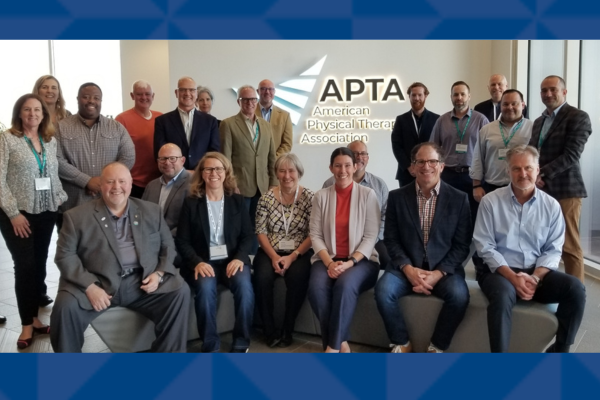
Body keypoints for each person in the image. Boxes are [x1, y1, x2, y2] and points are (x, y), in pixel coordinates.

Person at [50, 162, 189, 353]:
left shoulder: (151, 211)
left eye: (122, 181)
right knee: (65, 308)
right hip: (98, 283)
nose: (117, 187)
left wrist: (159, 273)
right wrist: (89, 286)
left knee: (179, 292)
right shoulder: (76, 216)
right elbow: (65, 256)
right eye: (110, 182)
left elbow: (168, 246)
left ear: (131, 184)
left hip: (141, 282)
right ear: (101, 185)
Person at [473, 145, 586, 353]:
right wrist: (512, 277)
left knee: (576, 289)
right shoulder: (490, 202)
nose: (522, 174)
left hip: (537, 273)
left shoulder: (551, 206)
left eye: (528, 168)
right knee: (502, 295)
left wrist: (535, 278)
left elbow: (553, 250)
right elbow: (485, 246)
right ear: (508, 171)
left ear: (537, 169)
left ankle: (560, 351)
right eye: (516, 168)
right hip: (499, 272)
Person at [375, 142, 471, 353]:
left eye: (432, 161)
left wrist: (438, 273)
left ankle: (437, 346)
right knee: (383, 291)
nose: (426, 166)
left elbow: (462, 245)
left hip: (443, 269)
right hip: (405, 267)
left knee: (460, 296)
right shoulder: (396, 197)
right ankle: (401, 341)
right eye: (421, 162)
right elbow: (391, 239)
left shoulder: (459, 199)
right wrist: (408, 269)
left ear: (442, 166)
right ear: (412, 167)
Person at [0, 94, 68, 347]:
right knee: (25, 265)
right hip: (17, 213)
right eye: (27, 109)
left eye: (37, 110)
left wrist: (60, 198)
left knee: (39, 265)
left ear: (44, 114)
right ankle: (27, 325)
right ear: (19, 113)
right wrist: (13, 213)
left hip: (45, 211)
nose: (33, 114)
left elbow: (52, 174)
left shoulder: (49, 141)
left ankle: (36, 320)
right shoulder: (7, 140)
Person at [176, 152, 254, 353]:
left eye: (218, 168)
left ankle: (242, 341)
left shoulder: (237, 201)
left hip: (232, 260)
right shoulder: (191, 203)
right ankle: (210, 345)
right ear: (201, 173)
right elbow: (182, 240)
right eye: (208, 169)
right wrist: (196, 262)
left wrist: (239, 259)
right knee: (204, 290)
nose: (214, 173)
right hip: (204, 261)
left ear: (226, 172)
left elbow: (248, 237)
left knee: (245, 289)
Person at [308, 147, 381, 353]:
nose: (343, 170)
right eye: (338, 165)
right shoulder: (321, 196)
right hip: (327, 259)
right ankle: (342, 343)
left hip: (361, 261)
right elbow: (315, 235)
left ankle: (331, 349)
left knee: (344, 285)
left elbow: (370, 236)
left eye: (348, 165)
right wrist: (330, 263)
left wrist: (350, 263)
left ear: (355, 166)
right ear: (331, 168)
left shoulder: (368, 195)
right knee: (316, 289)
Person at [529, 75, 592, 283]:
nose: (548, 94)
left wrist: (541, 174)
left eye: (553, 90)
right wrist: (532, 174)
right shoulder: (539, 121)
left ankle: (577, 294)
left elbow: (571, 155)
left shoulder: (578, 117)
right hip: (539, 190)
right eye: (544, 90)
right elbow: (532, 152)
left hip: (566, 190)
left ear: (564, 92)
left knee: (569, 246)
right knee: (541, 242)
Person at [254, 153, 314, 348]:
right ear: (276, 174)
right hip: (270, 250)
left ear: (299, 173)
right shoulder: (266, 198)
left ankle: (288, 329)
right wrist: (274, 257)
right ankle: (269, 330)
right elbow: (260, 231)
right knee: (261, 278)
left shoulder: (310, 198)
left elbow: (314, 233)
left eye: (291, 171)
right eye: (282, 171)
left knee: (297, 278)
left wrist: (292, 256)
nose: (287, 175)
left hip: (300, 252)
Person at [55, 82, 135, 222]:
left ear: (101, 101)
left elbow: (128, 156)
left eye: (96, 98)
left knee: (110, 242)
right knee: (72, 243)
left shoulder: (116, 128)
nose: (91, 101)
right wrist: (87, 181)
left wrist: (105, 182)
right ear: (78, 99)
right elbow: (56, 160)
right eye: (86, 97)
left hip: (109, 204)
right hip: (74, 205)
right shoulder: (61, 128)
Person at [221, 84, 278, 254]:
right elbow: (226, 158)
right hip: (240, 188)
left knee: (258, 227)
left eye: (253, 99)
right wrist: (231, 184)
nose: (250, 103)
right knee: (239, 226)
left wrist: (273, 184)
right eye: (246, 99)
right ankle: (239, 258)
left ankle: (252, 258)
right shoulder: (228, 124)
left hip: (263, 187)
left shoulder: (266, 126)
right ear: (239, 101)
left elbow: (271, 157)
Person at [429, 81, 489, 228]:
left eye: (463, 94)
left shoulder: (481, 120)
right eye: (456, 94)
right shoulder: (442, 121)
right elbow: (433, 149)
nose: (459, 97)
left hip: (472, 176)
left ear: (469, 96)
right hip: (448, 175)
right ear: (451, 97)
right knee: (448, 214)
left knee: (473, 215)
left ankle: (471, 248)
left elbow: (488, 149)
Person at [322, 140, 390, 268]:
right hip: (341, 239)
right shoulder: (329, 184)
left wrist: (373, 238)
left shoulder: (379, 185)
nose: (359, 157)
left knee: (387, 259)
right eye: (355, 153)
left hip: (373, 239)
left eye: (363, 153)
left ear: (368, 158)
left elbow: (386, 215)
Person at [470, 89, 533, 202]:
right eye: (505, 104)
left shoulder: (533, 128)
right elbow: (477, 158)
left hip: (522, 188)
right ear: (500, 106)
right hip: (491, 188)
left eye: (514, 103)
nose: (509, 107)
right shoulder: (487, 129)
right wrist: (476, 186)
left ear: (523, 105)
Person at [154, 77, 220, 172]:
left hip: (202, 176)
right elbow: (160, 153)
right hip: (173, 176)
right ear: (176, 93)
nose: (187, 93)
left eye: (191, 90)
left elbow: (214, 153)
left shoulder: (210, 121)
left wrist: (198, 172)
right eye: (183, 90)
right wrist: (181, 172)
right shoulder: (162, 121)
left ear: (196, 94)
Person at [115, 80, 163, 199]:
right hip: (133, 182)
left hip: (159, 181)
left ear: (153, 96)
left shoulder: (161, 118)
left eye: (147, 94)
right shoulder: (122, 119)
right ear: (132, 96)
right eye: (139, 94)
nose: (144, 97)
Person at [391, 82, 440, 187]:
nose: (416, 98)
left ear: (425, 96)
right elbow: (396, 146)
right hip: (407, 173)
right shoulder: (401, 120)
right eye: (413, 95)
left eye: (420, 95)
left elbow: (438, 146)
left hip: (429, 172)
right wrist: (409, 166)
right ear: (409, 97)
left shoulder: (436, 119)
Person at [142, 143, 190, 238]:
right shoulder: (151, 186)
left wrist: (164, 238)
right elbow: (142, 214)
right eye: (163, 159)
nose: (167, 163)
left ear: (182, 160)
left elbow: (191, 223)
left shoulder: (194, 184)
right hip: (150, 240)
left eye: (172, 158)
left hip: (179, 242)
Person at [255, 79, 293, 157]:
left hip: (275, 164)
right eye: (263, 89)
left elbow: (287, 144)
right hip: (253, 163)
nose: (267, 92)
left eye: (270, 89)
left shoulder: (285, 116)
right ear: (258, 91)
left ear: (274, 92)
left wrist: (274, 159)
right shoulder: (249, 113)